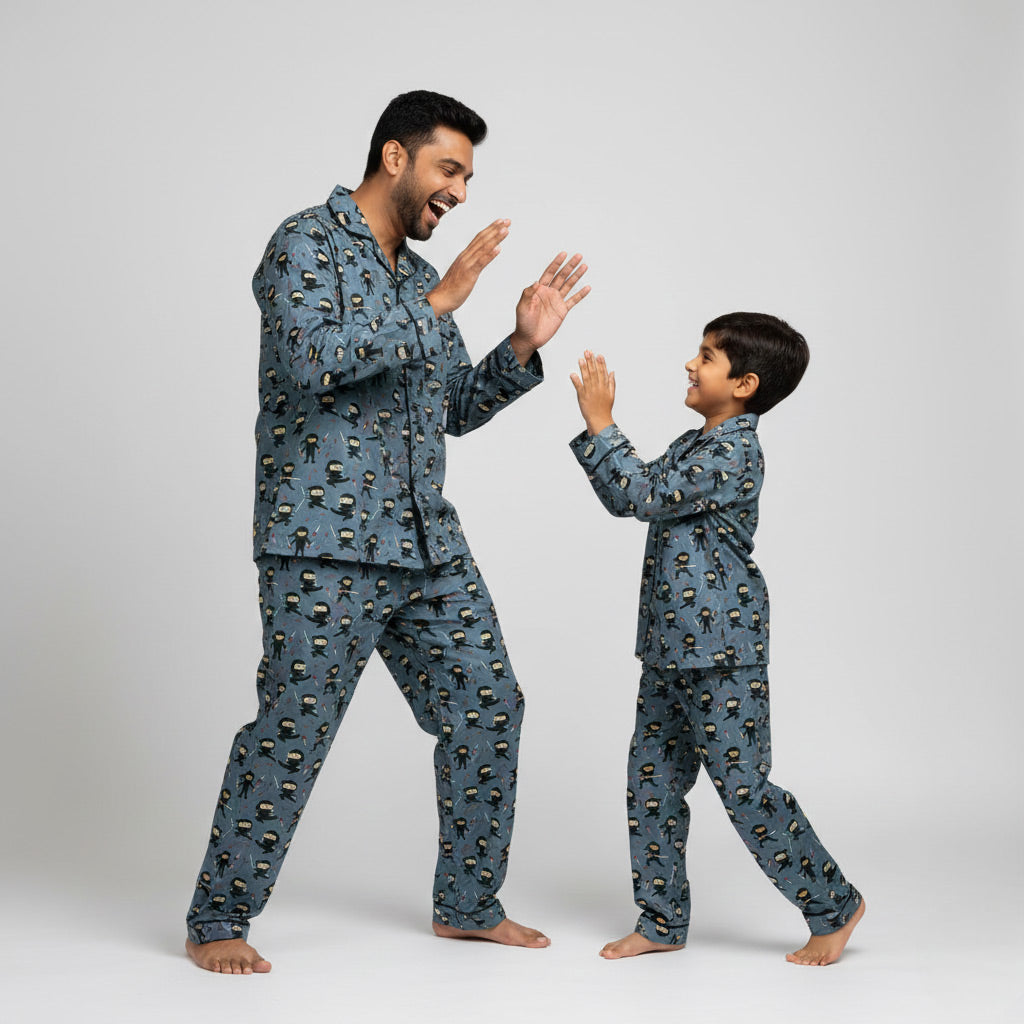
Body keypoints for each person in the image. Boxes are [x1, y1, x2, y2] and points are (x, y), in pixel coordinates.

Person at [185, 89, 589, 974]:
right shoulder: (304, 243)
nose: (461, 193)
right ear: (396, 157)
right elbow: (309, 361)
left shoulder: (414, 278)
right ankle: (219, 918)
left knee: (490, 706)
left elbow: (447, 408)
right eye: (451, 170)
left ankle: (467, 905)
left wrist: (520, 346)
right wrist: (442, 302)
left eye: (470, 178)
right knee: (293, 728)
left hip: (426, 544)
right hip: (322, 542)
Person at [568, 313, 864, 966]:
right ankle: (661, 920)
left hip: (722, 654)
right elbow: (638, 492)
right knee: (651, 786)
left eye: (705, 357)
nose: (690, 365)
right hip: (669, 651)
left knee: (744, 790)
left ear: (745, 384)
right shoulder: (695, 441)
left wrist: (600, 421)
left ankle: (834, 906)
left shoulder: (734, 451)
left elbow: (638, 494)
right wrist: (605, 432)